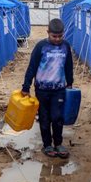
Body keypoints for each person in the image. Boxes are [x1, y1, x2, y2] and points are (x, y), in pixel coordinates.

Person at [22, 18, 74, 158]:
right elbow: (32, 67)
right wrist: (26, 87)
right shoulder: (41, 47)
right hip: (42, 89)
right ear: (48, 33)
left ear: (63, 34)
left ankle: (58, 144)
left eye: (60, 36)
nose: (57, 39)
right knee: (45, 119)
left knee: (57, 117)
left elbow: (69, 66)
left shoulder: (66, 46)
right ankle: (47, 145)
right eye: (54, 36)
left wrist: (69, 83)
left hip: (59, 89)